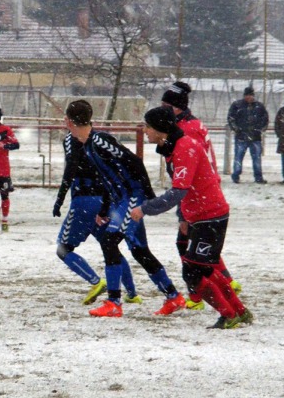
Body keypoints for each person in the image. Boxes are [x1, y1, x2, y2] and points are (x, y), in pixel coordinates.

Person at [131, 106, 253, 329]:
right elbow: (187, 188)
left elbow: (179, 190)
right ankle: (239, 312)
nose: (145, 130)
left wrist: (145, 208)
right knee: (206, 269)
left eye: (148, 126)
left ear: (161, 129)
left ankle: (229, 314)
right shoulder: (174, 146)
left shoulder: (184, 147)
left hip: (210, 216)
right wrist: (185, 217)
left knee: (193, 272)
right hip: (199, 215)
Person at [63, 99, 184, 317]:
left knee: (110, 242)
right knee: (139, 251)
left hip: (131, 197)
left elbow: (134, 162)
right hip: (122, 200)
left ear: (67, 121)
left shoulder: (99, 141)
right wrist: (104, 209)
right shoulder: (89, 145)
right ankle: (173, 296)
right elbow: (109, 179)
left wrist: (146, 196)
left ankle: (114, 302)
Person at [159, 81, 241, 314]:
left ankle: (204, 292)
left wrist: (181, 209)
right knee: (194, 247)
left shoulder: (187, 130)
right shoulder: (188, 124)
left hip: (198, 194)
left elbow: (188, 171)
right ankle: (217, 285)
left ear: (176, 107)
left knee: (189, 247)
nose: (163, 108)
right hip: (197, 192)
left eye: (166, 104)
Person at [53, 125, 142, 308]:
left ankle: (96, 282)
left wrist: (60, 198)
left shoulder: (71, 139)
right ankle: (132, 293)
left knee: (63, 249)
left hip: (83, 201)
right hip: (104, 201)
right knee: (111, 248)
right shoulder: (99, 139)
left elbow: (70, 168)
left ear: (72, 121)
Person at [227, 86, 269, 184]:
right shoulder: (238, 105)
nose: (249, 97)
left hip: (254, 136)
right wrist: (237, 129)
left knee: (254, 158)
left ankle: (257, 176)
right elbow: (231, 118)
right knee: (240, 157)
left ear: (253, 96)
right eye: (247, 95)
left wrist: (260, 129)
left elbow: (265, 119)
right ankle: (236, 175)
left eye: (250, 95)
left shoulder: (256, 106)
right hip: (243, 136)